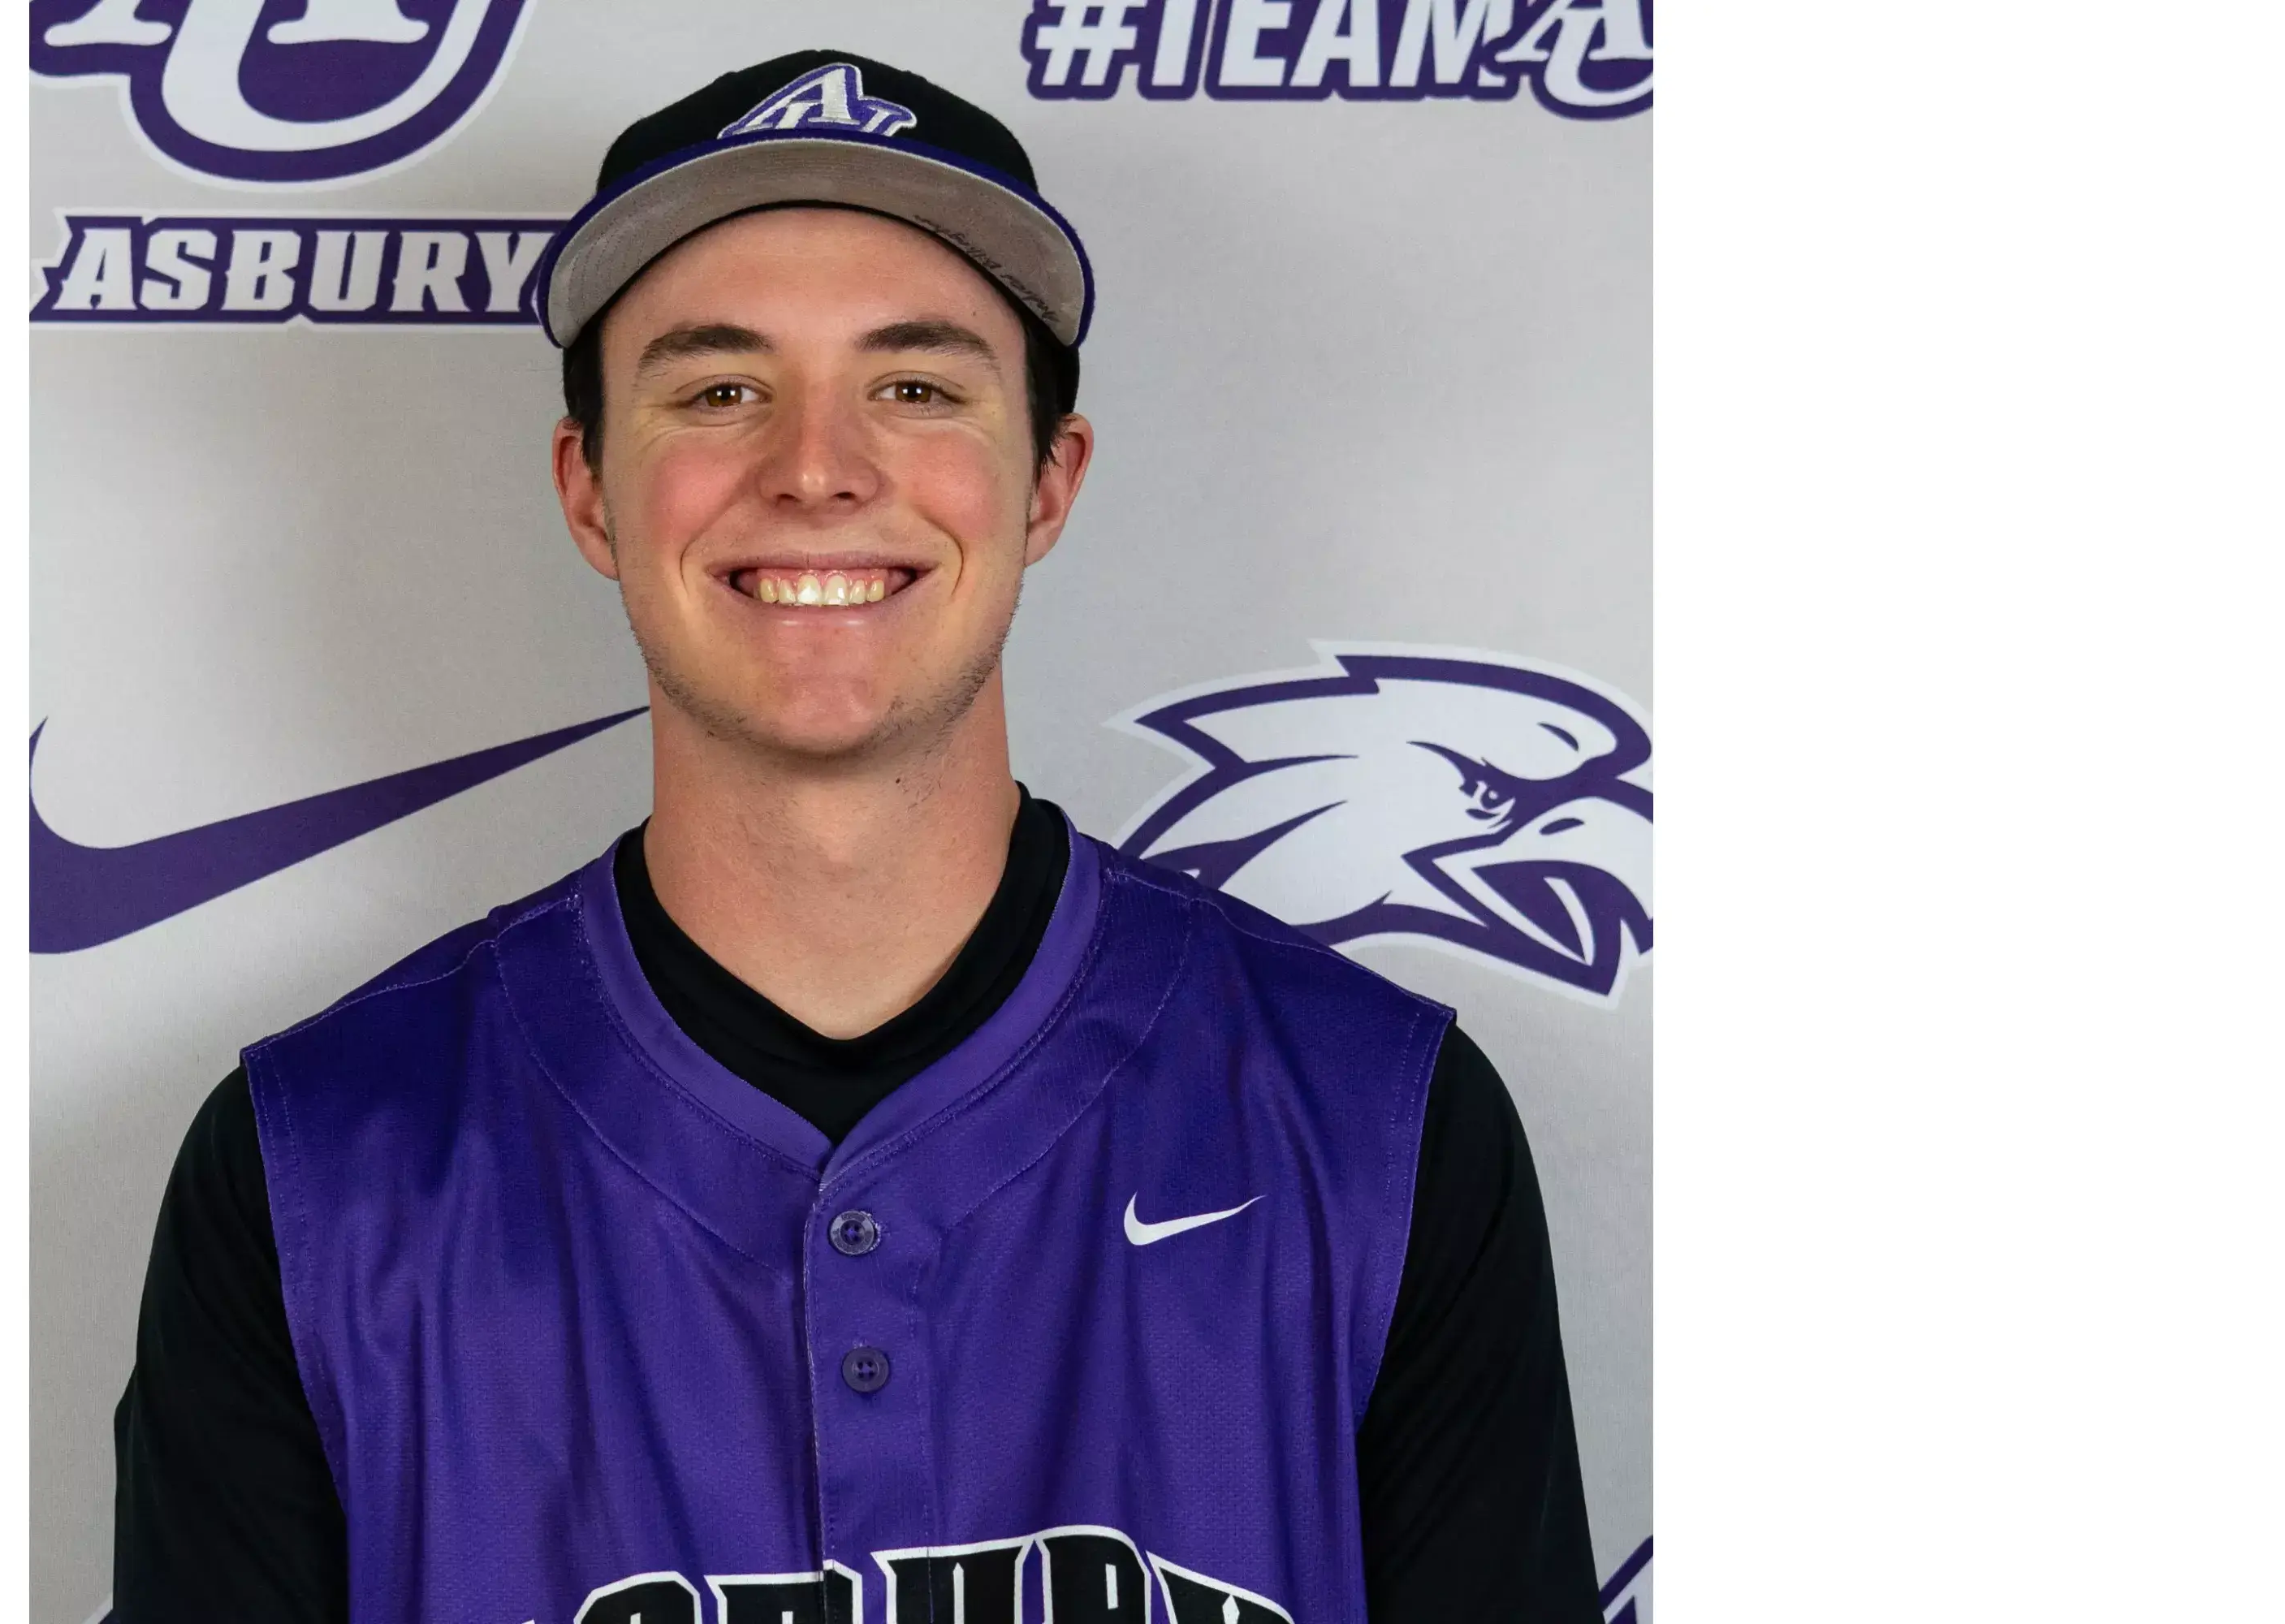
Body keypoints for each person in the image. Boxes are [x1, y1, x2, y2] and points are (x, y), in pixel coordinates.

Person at [111, 50, 1600, 1624]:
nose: (816, 467)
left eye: (916, 387)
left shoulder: (1372, 1125)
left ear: (1046, 483)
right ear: (591, 491)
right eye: (719, 390)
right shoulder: (318, 1172)